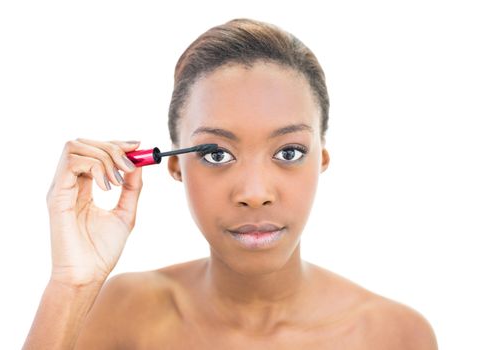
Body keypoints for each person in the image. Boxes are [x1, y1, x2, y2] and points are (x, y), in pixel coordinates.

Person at [23, 18, 438, 349]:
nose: (255, 194)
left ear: (321, 160)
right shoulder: (119, 312)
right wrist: (71, 284)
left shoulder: (396, 336)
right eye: (215, 154)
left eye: (289, 152)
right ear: (175, 167)